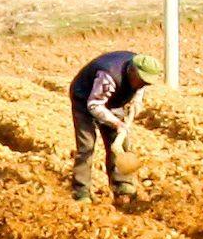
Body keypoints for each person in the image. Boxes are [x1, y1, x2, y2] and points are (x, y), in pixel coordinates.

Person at [65, 47, 151, 206]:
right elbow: (94, 105)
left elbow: (141, 86)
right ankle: (81, 192)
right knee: (86, 146)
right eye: (140, 80)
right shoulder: (109, 75)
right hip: (85, 99)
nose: (142, 83)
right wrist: (116, 122)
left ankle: (123, 186)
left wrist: (137, 101)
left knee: (119, 144)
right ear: (132, 72)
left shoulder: (143, 70)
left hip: (113, 101)